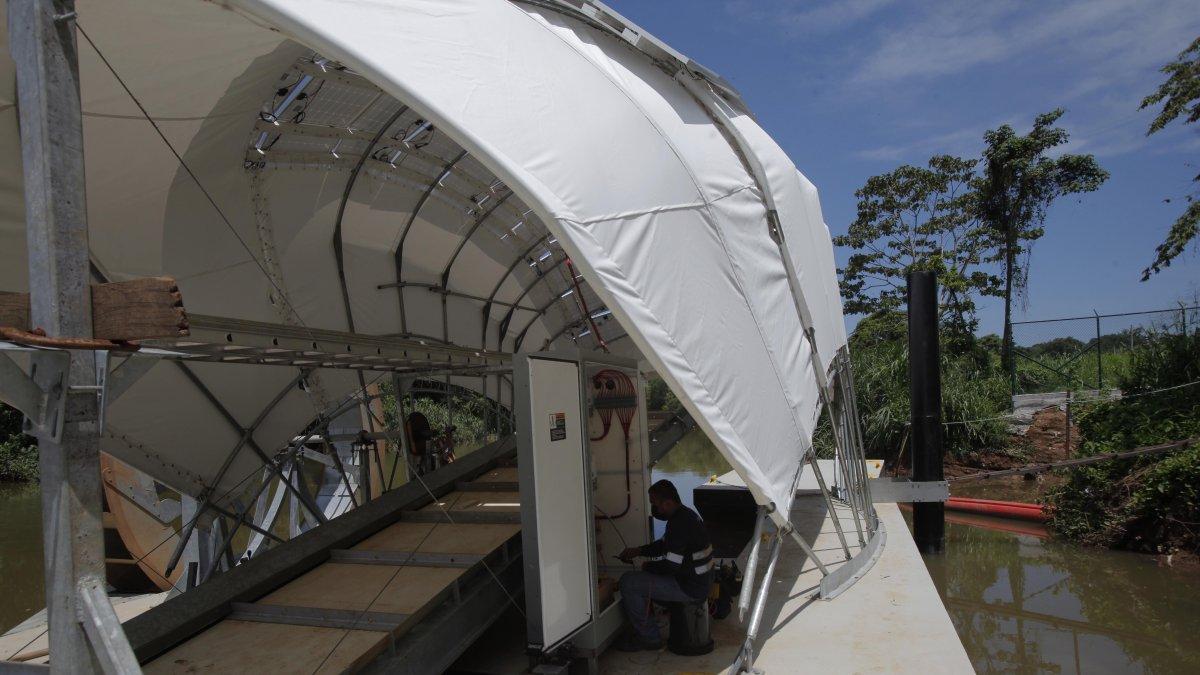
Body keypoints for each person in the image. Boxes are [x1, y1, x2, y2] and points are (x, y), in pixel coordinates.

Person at [615, 479, 714, 651]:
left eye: (655, 504)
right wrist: (639, 551)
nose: (654, 509)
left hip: (690, 588)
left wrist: (647, 567)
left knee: (629, 582)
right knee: (642, 579)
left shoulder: (679, 524)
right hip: (699, 581)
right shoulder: (685, 515)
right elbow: (664, 545)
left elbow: (670, 567)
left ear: (667, 503)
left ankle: (649, 638)